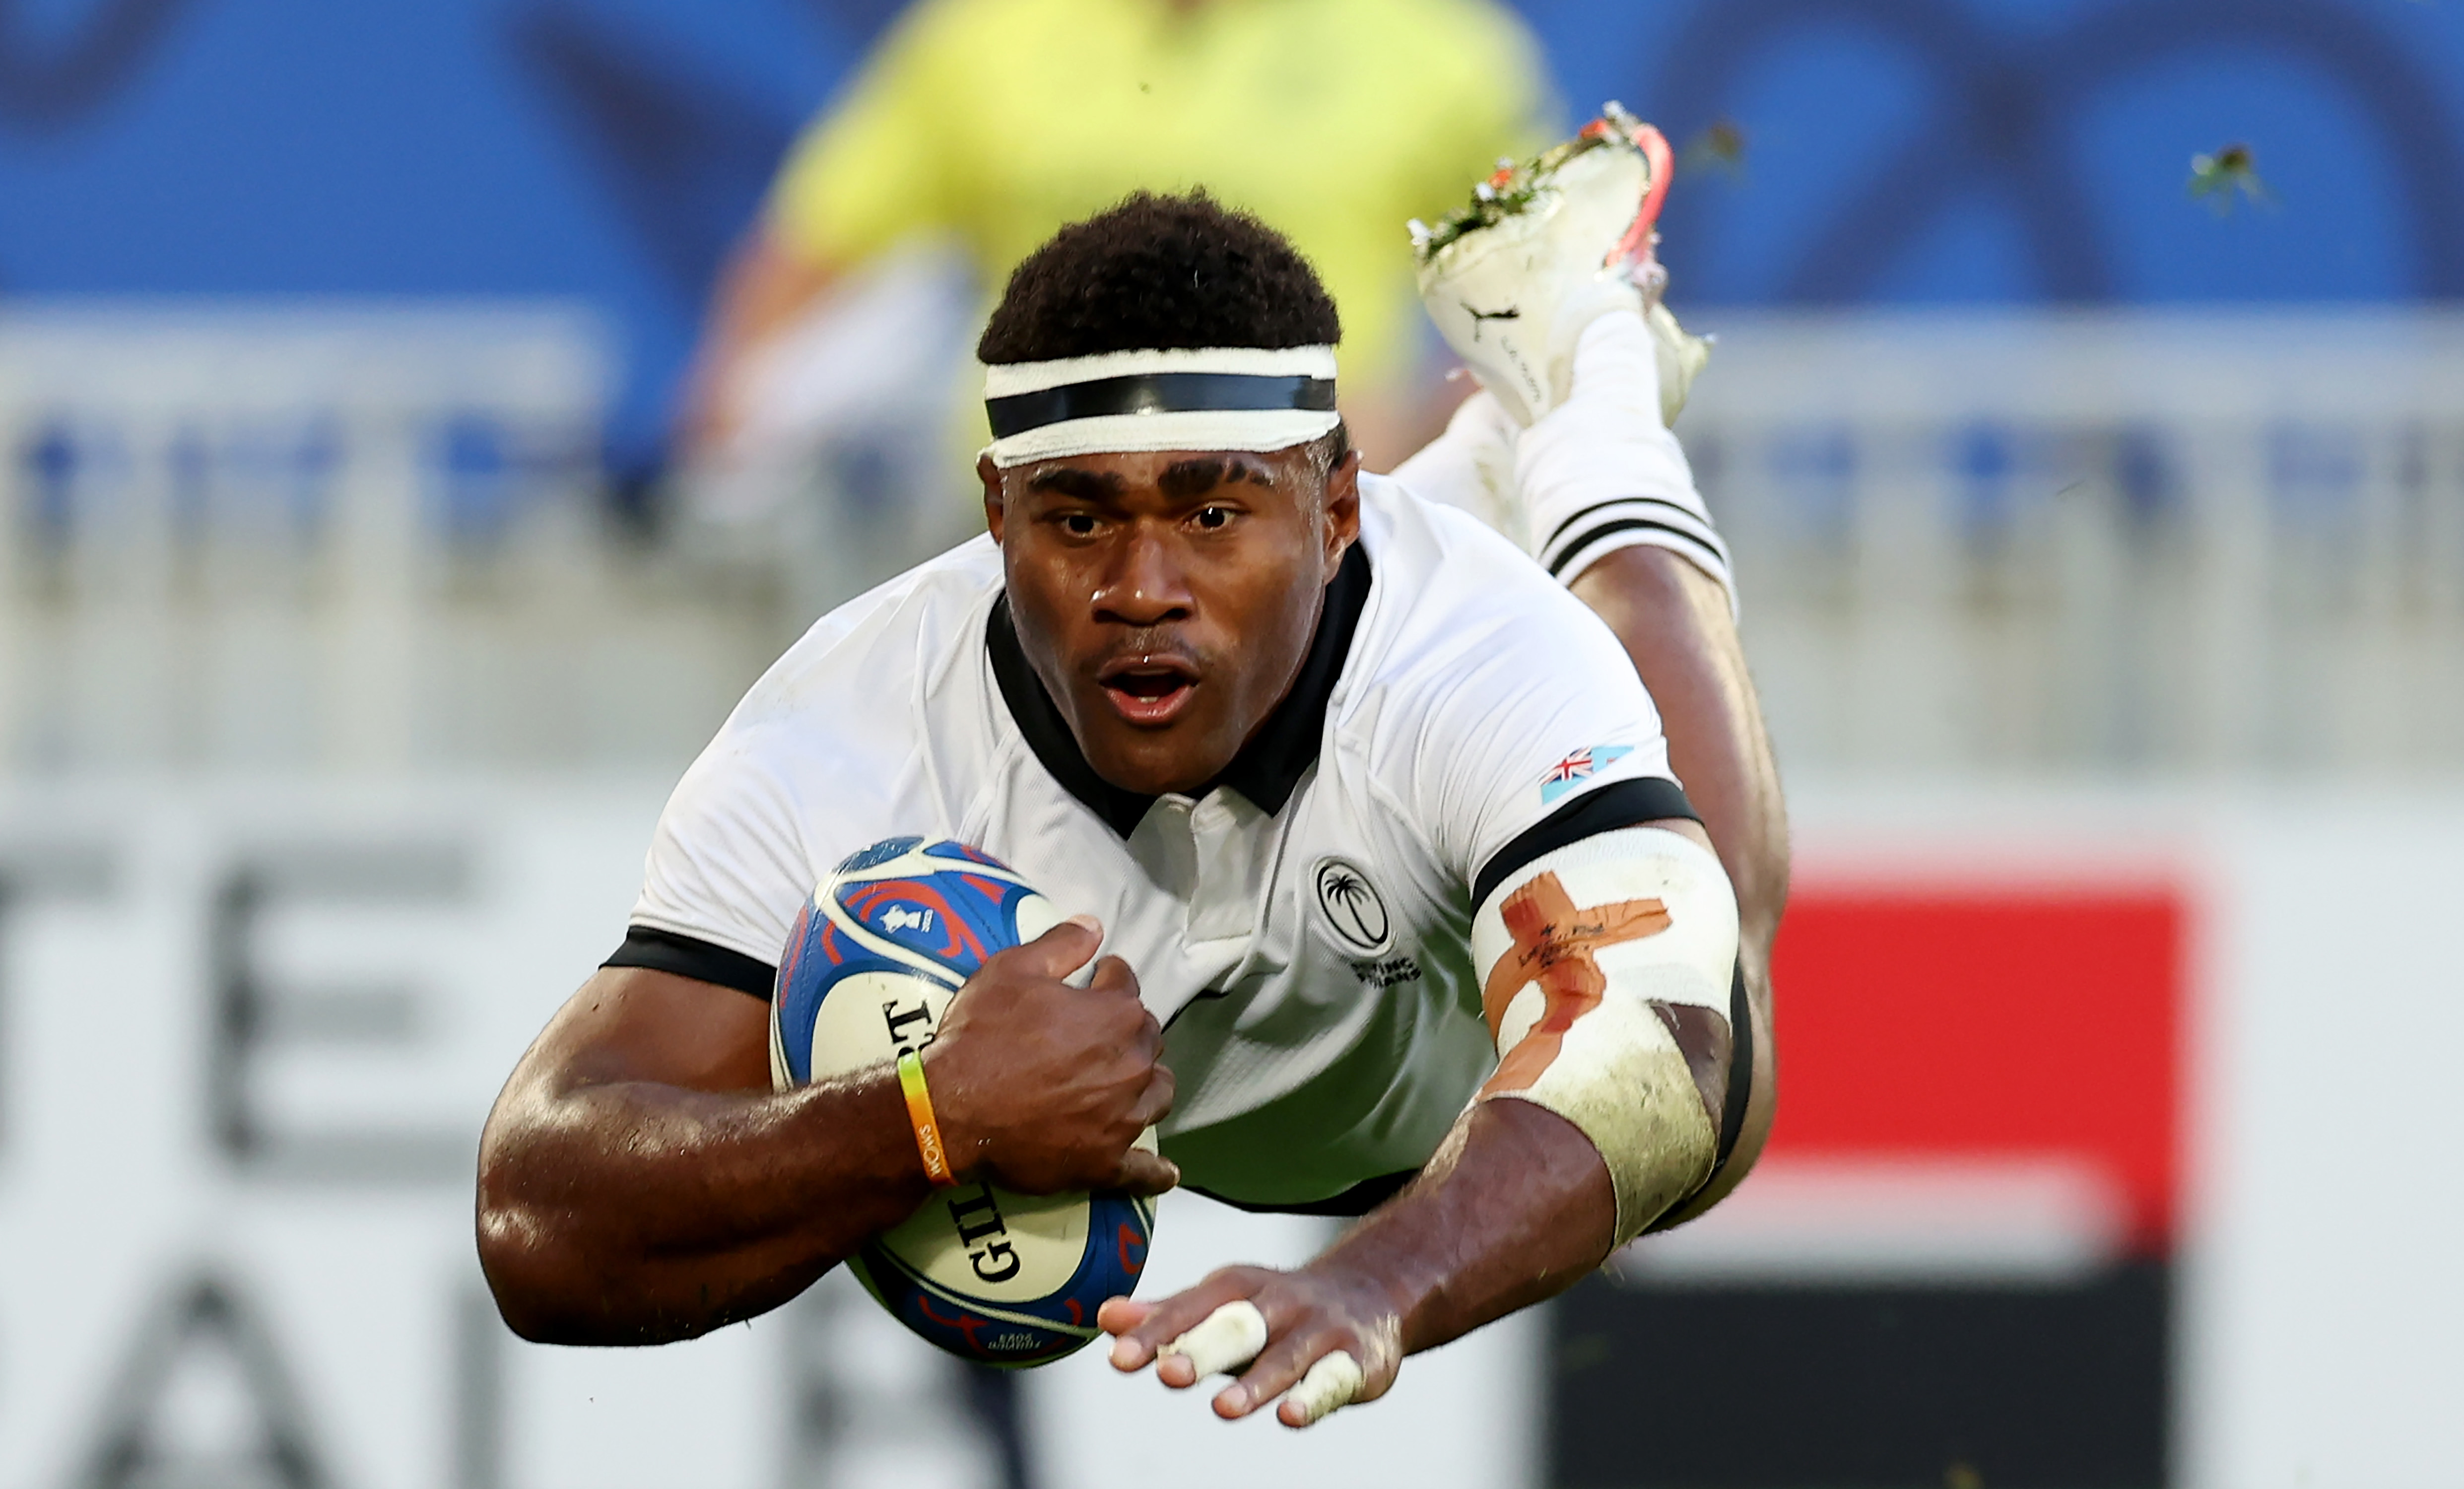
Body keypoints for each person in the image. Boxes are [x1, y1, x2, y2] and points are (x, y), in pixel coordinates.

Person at [479, 115, 1784, 1428]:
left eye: (1210, 515)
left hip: (1456, 1065)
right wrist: (926, 1119)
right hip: (1280, 991)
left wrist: (1376, 1283)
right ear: (996, 516)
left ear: (1335, 511)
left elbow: (1664, 1048)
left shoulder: (1460, 655)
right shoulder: (845, 735)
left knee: (1711, 1014)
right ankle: (1488, 441)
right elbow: (538, 1218)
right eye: (1078, 519)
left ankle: (1581, 385)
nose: (1139, 591)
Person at [676, 0, 1550, 476]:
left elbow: (1554, 289)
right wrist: (722, 429)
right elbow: (810, 248)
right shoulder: (982, 36)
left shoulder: (1442, 48)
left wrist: (1432, 425)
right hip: (1024, 521)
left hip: (1315, 521)